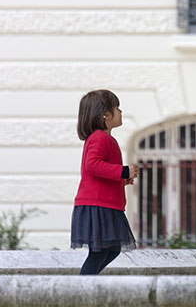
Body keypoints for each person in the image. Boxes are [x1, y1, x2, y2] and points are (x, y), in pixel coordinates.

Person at [71, 89, 139, 275]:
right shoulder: (100, 138)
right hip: (98, 206)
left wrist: (122, 179)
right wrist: (123, 170)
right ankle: (82, 289)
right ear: (106, 115)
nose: (121, 112)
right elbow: (92, 165)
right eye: (117, 108)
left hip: (104, 204)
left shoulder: (103, 139)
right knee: (100, 252)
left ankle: (89, 284)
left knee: (111, 249)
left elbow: (96, 174)